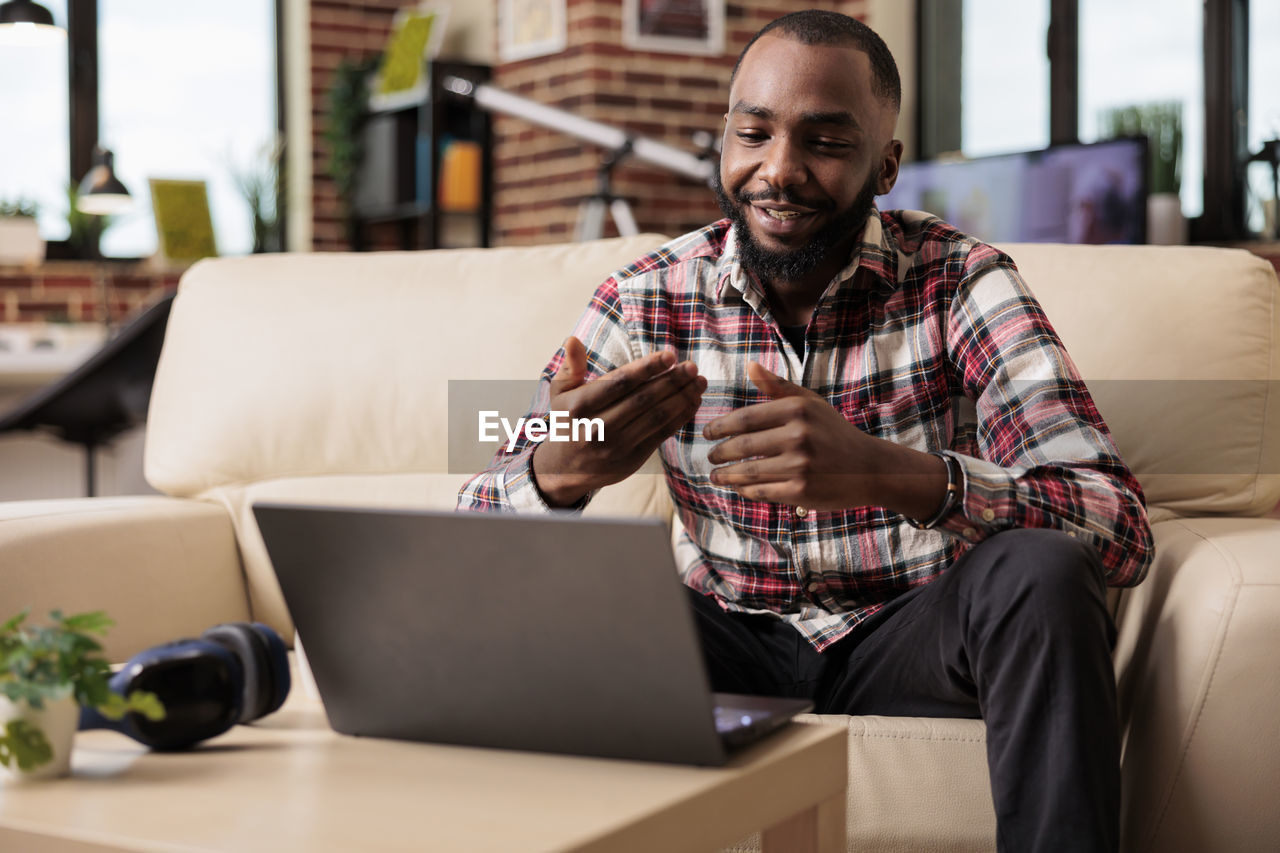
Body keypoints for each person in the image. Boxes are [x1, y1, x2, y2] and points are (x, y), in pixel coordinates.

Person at [458, 10, 1152, 852]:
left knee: (1040, 569)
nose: (777, 171)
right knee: (547, 592)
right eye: (753, 133)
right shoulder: (644, 298)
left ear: (885, 166)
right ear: (724, 137)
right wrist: (555, 475)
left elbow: (1115, 525)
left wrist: (895, 474)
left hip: (913, 635)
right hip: (721, 639)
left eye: (824, 142)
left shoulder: (963, 282)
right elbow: (467, 534)